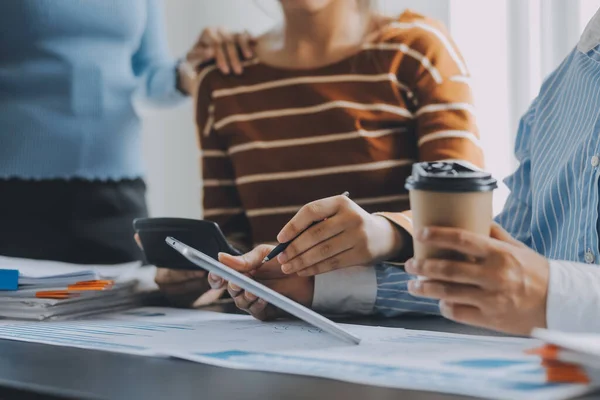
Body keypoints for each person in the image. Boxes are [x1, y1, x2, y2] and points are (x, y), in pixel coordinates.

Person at [216, 7, 600, 335]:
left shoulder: (416, 51)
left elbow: (501, 257)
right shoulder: (556, 98)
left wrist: (390, 232)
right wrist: (318, 286)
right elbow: (501, 263)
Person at [155, 0, 483, 307]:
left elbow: (464, 224)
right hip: (271, 329)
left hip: (407, 329)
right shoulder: (221, 80)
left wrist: (387, 234)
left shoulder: (418, 51)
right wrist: (203, 271)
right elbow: (230, 241)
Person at [0, 0, 249, 265]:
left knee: (126, 302)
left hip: (118, 193)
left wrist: (191, 70)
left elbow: (150, 73)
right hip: (15, 195)